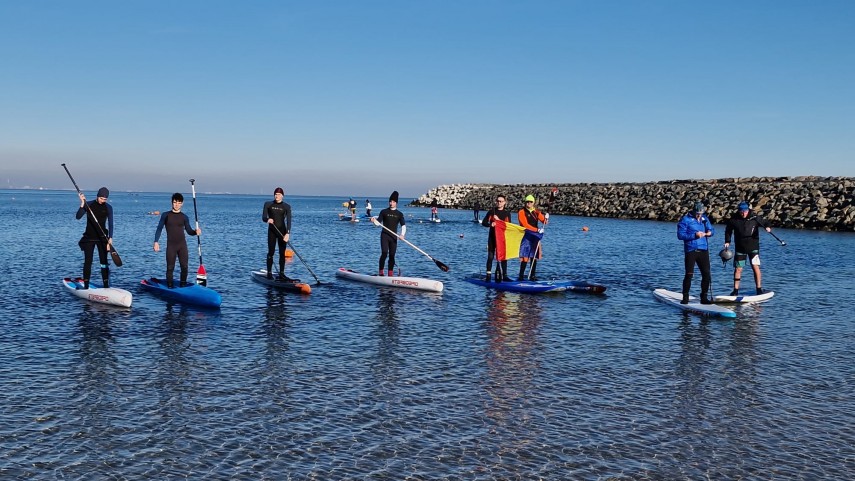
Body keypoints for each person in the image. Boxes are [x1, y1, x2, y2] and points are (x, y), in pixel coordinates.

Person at [724, 201, 772, 295]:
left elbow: (766, 222)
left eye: (745, 212)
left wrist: (768, 227)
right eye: (741, 212)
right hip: (740, 247)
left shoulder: (755, 218)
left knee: (755, 267)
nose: (743, 214)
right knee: (738, 269)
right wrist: (727, 241)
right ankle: (735, 290)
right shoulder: (734, 219)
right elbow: (728, 231)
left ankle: (759, 289)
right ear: (739, 211)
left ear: (748, 210)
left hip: (753, 246)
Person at [154, 193, 201, 288]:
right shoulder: (166, 215)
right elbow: (159, 228)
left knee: (184, 267)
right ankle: (170, 287)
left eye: (179, 203)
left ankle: (183, 286)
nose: (176, 205)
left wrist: (195, 232)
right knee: (170, 268)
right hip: (171, 246)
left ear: (182, 204)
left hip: (182, 246)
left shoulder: (184, 217)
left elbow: (189, 231)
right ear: (172, 203)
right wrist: (156, 242)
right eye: (175, 202)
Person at [75, 187, 114, 289]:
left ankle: (106, 285)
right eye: (101, 198)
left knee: (104, 262)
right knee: (88, 261)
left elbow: (111, 223)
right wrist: (82, 204)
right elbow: (78, 217)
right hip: (89, 238)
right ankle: (86, 285)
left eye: (105, 199)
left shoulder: (108, 207)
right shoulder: (89, 204)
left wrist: (110, 238)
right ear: (97, 196)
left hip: (102, 238)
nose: (103, 201)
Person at [677, 201, 715, 304]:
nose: (699, 215)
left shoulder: (704, 219)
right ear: (694, 211)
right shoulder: (685, 220)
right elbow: (680, 235)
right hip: (691, 250)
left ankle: (704, 297)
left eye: (701, 213)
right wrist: (695, 235)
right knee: (689, 274)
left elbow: (712, 230)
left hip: (703, 249)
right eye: (698, 213)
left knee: (706, 274)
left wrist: (710, 233)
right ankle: (685, 297)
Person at [372, 190, 406, 276]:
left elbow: (403, 226)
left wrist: (402, 235)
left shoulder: (399, 214)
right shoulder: (384, 212)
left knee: (392, 255)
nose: (391, 203)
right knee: (384, 253)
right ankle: (381, 272)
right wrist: (374, 221)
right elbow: (378, 223)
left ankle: (390, 274)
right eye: (390, 201)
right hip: (385, 235)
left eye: (393, 202)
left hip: (394, 237)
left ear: (396, 203)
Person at [262, 187, 292, 280]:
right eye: (275, 194)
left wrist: (288, 233)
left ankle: (282, 274)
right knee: (271, 252)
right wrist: (268, 219)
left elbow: (289, 221)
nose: (276, 196)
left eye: (279, 194)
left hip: (282, 232)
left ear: (282, 195)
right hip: (272, 232)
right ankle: (269, 273)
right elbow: (263, 217)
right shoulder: (268, 204)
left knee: (282, 253)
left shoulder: (286, 206)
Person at [517, 194, 548, 281]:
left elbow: (544, 222)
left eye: (530, 202)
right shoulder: (521, 212)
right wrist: (537, 229)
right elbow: (524, 225)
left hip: (535, 236)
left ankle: (532, 276)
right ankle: (521, 276)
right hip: (526, 235)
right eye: (527, 202)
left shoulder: (536, 212)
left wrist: (546, 217)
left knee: (534, 256)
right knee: (525, 256)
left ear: (533, 203)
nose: (529, 203)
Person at [481, 195, 512, 282]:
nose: (499, 203)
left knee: (503, 257)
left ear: (505, 203)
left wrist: (498, 221)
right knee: (490, 256)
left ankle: (505, 276)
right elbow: (483, 223)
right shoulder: (491, 212)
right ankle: (488, 275)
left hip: (502, 238)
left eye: (501, 201)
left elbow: (508, 226)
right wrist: (491, 225)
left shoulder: (507, 213)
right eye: (498, 201)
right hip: (492, 238)